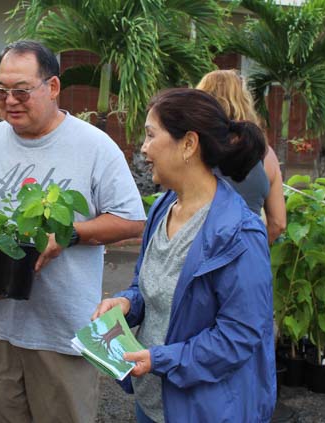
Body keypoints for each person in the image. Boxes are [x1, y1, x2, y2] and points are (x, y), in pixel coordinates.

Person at [0, 40, 146, 422]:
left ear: (52, 88)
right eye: (1, 91)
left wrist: (68, 235)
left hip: (63, 334)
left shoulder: (93, 146)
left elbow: (132, 219)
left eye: (21, 91)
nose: (9, 100)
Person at [92, 88, 275, 422]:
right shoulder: (163, 207)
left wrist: (161, 359)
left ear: (189, 144)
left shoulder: (239, 232)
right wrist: (128, 303)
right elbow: (149, 287)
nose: (143, 148)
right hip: (152, 403)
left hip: (205, 411)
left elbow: (239, 336)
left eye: (150, 135)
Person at [196, 69, 286, 243]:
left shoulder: (194, 146)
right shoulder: (265, 153)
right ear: (244, 100)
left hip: (197, 253)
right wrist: (250, 248)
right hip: (245, 258)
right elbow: (278, 223)